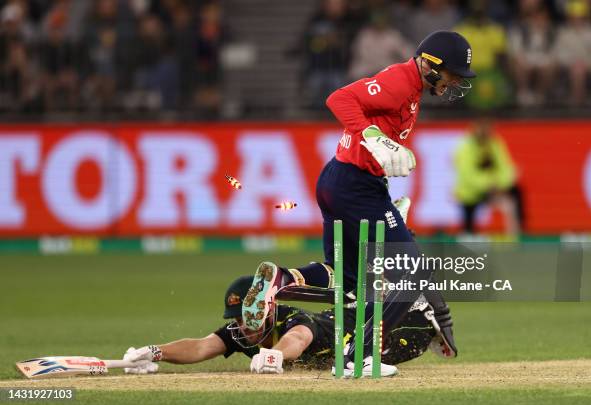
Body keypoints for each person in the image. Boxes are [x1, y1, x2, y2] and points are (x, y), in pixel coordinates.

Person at [242, 31, 473, 377]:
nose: (455, 82)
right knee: (413, 273)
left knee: (348, 281)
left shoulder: (411, 88)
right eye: (453, 75)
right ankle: (357, 356)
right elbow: (339, 98)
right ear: (430, 65)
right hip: (355, 186)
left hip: (343, 181)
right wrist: (372, 136)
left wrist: (387, 196)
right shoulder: (399, 80)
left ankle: (282, 279)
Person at [123, 275, 439, 375]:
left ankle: (418, 303)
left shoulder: (291, 318)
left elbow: (299, 338)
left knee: (384, 350)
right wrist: (155, 352)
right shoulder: (242, 330)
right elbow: (202, 345)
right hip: (351, 319)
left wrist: (275, 355)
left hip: (398, 329)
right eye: (237, 320)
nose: (242, 327)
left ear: (267, 309)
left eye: (249, 318)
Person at [454, 117, 524, 234]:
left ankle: (519, 232)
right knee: (468, 217)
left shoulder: (495, 143)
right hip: (471, 192)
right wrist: (488, 183)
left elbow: (506, 167)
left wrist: (499, 183)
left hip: (493, 188)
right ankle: (468, 234)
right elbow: (467, 175)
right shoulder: (465, 147)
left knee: (516, 192)